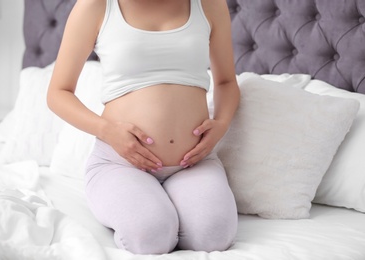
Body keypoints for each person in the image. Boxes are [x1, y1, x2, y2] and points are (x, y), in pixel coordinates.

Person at [47, 0, 240, 255]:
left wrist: (222, 124)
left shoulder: (209, 5)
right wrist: (107, 131)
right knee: (151, 237)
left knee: (214, 236)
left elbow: (226, 81)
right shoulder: (96, 6)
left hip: (193, 163)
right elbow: (57, 93)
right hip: (120, 164)